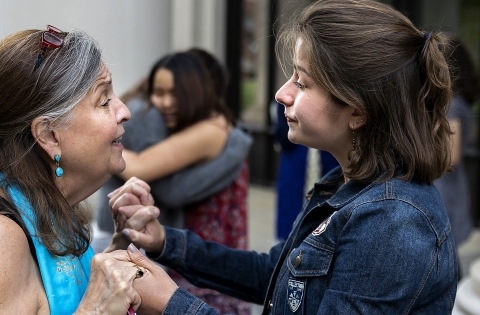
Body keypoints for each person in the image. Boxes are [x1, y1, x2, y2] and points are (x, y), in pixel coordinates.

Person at [108, 0, 459, 313]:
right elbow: (274, 275)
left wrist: (173, 304)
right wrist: (165, 241)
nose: (281, 93)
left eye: (302, 83)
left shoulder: (392, 222)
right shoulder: (346, 185)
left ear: (357, 110)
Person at [0, 26, 142, 314]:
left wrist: (121, 251)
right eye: (104, 100)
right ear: (49, 135)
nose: (124, 110)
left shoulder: (43, 208)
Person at [106, 51, 252, 315]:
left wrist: (98, 147)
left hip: (203, 256)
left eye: (174, 93)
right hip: (198, 250)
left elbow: (144, 169)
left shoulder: (211, 129)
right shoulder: (203, 124)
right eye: (158, 92)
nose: (164, 103)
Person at [433, 38, 480, 277]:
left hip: (444, 189)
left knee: (445, 262)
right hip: (453, 187)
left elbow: (450, 156)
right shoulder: (461, 100)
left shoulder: (450, 103)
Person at [270, 99, 338, 241]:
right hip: (296, 162)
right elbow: (282, 136)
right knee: (291, 210)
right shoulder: (286, 100)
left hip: (325, 162)